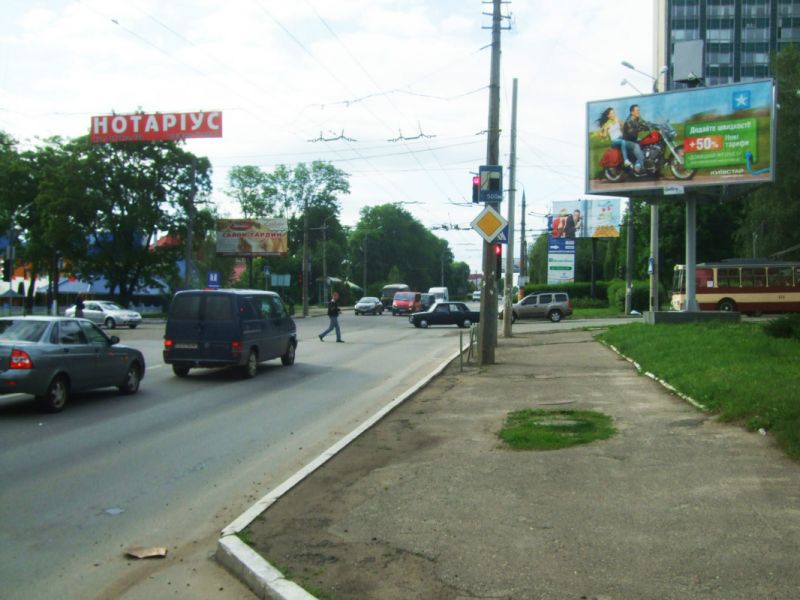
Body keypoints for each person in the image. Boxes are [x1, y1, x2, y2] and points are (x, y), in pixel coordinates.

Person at [622, 104, 649, 173]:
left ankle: (638, 163)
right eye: (637, 110)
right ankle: (641, 167)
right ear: (632, 112)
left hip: (634, 140)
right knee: (636, 146)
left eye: (639, 110)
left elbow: (645, 123)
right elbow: (632, 133)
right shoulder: (629, 121)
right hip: (627, 142)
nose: (638, 112)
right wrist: (641, 128)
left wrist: (654, 125)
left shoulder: (638, 118)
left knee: (646, 143)